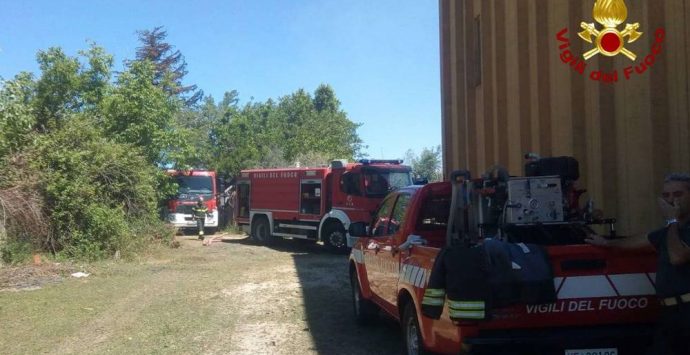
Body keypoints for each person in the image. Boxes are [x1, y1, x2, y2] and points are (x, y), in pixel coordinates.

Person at [585, 173, 690, 355]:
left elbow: (678, 256)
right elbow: (645, 239)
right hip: (670, 314)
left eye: (678, 194)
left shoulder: (674, 228)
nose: (672, 200)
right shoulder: (671, 231)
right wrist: (607, 243)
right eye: (666, 196)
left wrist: (671, 220)